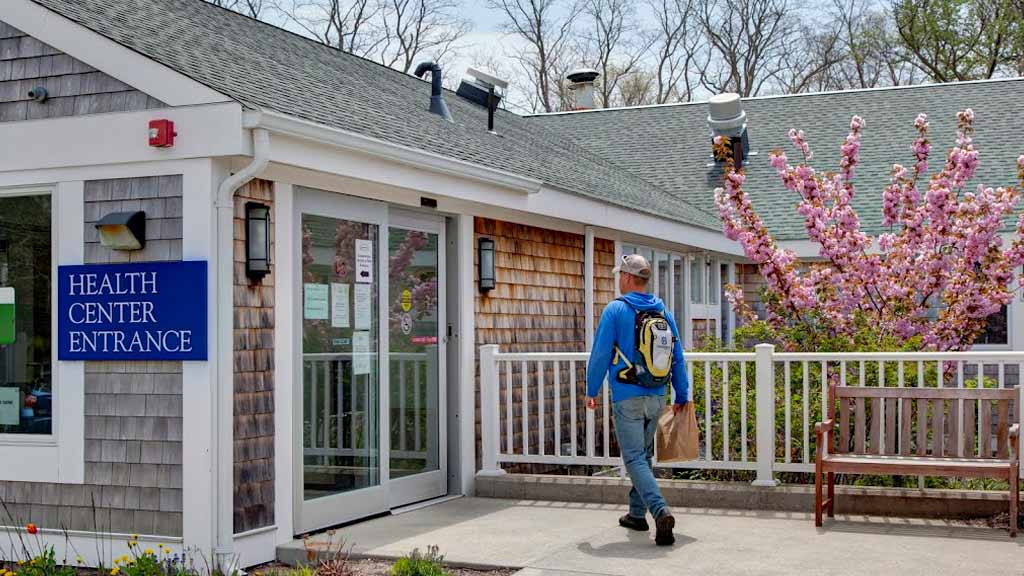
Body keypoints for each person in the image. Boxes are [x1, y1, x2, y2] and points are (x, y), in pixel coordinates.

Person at [586, 253, 689, 546]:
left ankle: (659, 511)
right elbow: (677, 357)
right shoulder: (662, 311)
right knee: (642, 457)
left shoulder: (615, 310)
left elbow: (601, 354)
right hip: (657, 394)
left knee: (632, 458)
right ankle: (635, 513)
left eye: (620, 274)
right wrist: (681, 393)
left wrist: (591, 390)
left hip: (627, 396)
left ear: (628, 278)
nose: (619, 279)